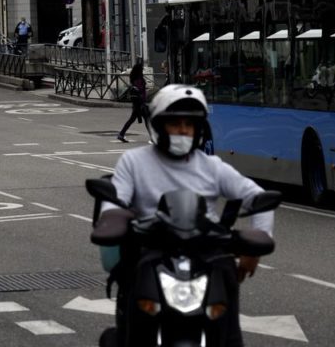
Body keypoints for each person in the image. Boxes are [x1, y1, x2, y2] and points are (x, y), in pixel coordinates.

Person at [99, 84, 274, 347]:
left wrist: (254, 249)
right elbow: (115, 201)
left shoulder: (211, 166)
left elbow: (257, 196)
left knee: (227, 277)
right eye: (175, 123)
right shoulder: (133, 161)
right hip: (152, 251)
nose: (183, 130)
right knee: (132, 285)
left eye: (189, 124)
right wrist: (112, 222)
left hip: (207, 254)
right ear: (159, 125)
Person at [116, 61, 147, 142]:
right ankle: (154, 137)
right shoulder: (138, 79)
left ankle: (121, 134)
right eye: (142, 69)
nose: (143, 71)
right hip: (140, 102)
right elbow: (140, 90)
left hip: (137, 103)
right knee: (147, 120)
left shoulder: (134, 78)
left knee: (132, 119)